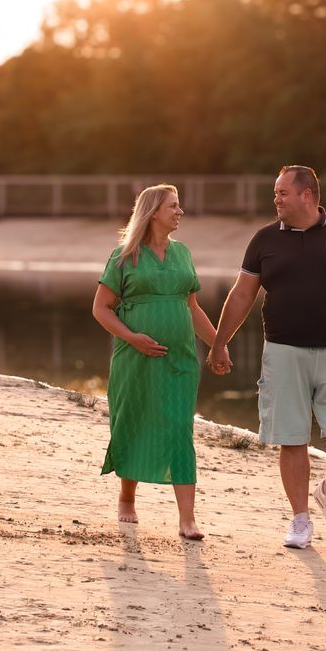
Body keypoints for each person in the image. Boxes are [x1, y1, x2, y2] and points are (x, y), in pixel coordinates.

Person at [208, 165, 326, 549]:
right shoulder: (264, 240)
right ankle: (300, 520)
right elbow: (242, 294)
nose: (276, 199)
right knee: (291, 437)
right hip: (283, 352)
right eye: (275, 193)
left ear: (307, 195)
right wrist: (219, 342)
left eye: (282, 192)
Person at [90, 183, 220, 540]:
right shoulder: (123, 257)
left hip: (179, 358)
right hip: (134, 358)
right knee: (133, 421)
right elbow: (101, 308)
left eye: (179, 206)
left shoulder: (183, 253)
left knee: (180, 427)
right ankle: (127, 498)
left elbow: (192, 308)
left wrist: (218, 345)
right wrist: (132, 338)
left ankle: (187, 519)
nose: (180, 212)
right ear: (152, 212)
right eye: (173, 206)